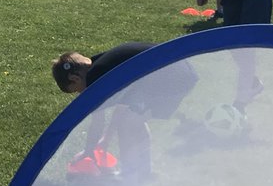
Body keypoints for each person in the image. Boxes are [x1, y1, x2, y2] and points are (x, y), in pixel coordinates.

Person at [51, 42, 197, 178]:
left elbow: (98, 121)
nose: (81, 94)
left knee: (128, 124)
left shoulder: (95, 78)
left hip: (172, 77)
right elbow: (123, 107)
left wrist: (89, 150)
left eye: (77, 91)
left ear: (75, 78)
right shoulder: (98, 64)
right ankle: (144, 172)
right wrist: (105, 140)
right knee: (133, 119)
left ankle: (129, 176)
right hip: (177, 69)